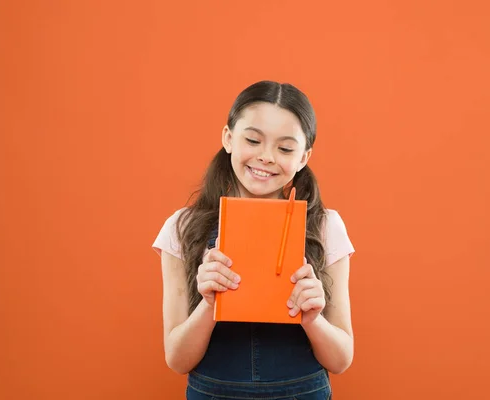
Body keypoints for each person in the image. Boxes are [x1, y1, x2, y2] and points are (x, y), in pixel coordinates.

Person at [152, 80, 355, 399]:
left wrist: (313, 319)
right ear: (228, 138)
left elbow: (341, 359)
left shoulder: (326, 226)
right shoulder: (182, 227)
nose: (266, 157)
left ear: (304, 157)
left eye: (285, 148)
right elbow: (177, 359)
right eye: (253, 140)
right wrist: (209, 304)